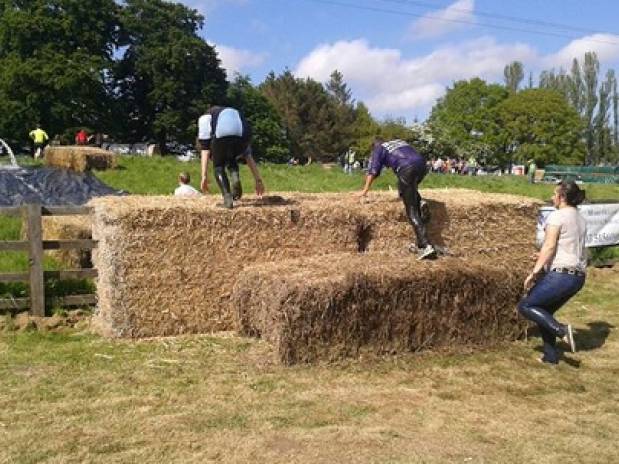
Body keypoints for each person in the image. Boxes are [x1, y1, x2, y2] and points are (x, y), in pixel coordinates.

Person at [518, 181, 587, 365]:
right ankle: (551, 357)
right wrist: (543, 255)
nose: (551, 197)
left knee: (526, 306)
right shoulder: (579, 217)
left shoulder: (557, 216)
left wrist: (534, 272)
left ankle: (562, 331)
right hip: (578, 276)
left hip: (563, 274)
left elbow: (549, 246)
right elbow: (565, 246)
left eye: (554, 193)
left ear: (562, 197)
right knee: (544, 311)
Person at [359, 138, 436, 260]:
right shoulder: (398, 142)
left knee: (412, 211)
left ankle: (426, 246)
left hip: (406, 168)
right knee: (405, 189)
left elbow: (373, 171)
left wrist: (364, 191)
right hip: (422, 165)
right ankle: (419, 201)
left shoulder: (379, 148)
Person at [198, 106, 265, 208]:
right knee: (231, 158)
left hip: (224, 134)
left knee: (218, 167)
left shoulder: (205, 117)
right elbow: (248, 156)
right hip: (244, 135)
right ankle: (235, 177)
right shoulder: (234, 114)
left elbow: (205, 151)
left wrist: (204, 176)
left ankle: (227, 200)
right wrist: (258, 180)